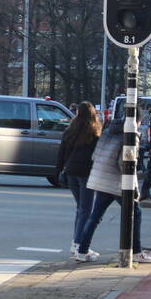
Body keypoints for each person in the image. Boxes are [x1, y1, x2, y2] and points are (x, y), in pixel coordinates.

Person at [74, 117, 151, 263]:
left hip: (102, 178)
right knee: (135, 212)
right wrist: (135, 189)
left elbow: (96, 155)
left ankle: (82, 250)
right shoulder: (131, 136)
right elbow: (127, 164)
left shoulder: (107, 132)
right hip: (118, 182)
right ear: (137, 121)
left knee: (95, 216)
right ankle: (136, 251)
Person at [56, 102, 102, 258]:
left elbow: (62, 153)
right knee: (85, 210)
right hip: (86, 173)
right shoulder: (94, 132)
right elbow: (97, 156)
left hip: (71, 172)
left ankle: (75, 243)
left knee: (81, 209)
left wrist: (59, 171)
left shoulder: (70, 131)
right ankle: (79, 245)